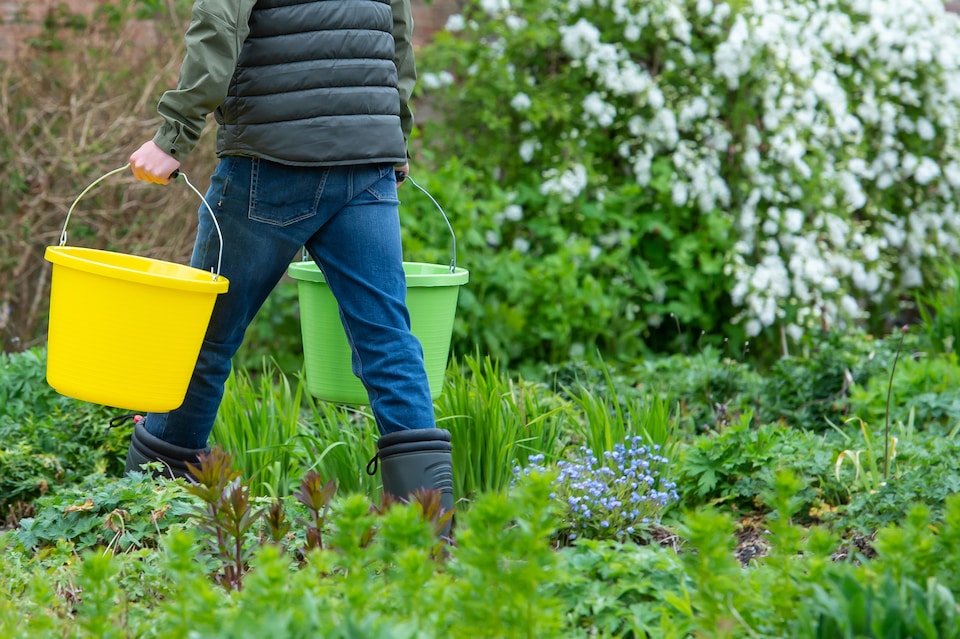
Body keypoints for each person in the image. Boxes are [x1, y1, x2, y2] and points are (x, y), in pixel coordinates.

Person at [123, 0, 453, 528]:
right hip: (365, 160)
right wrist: (396, 135)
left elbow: (219, 24)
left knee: (204, 339)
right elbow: (398, 37)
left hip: (270, 160)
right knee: (389, 340)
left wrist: (173, 136)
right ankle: (434, 535)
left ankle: (147, 520)